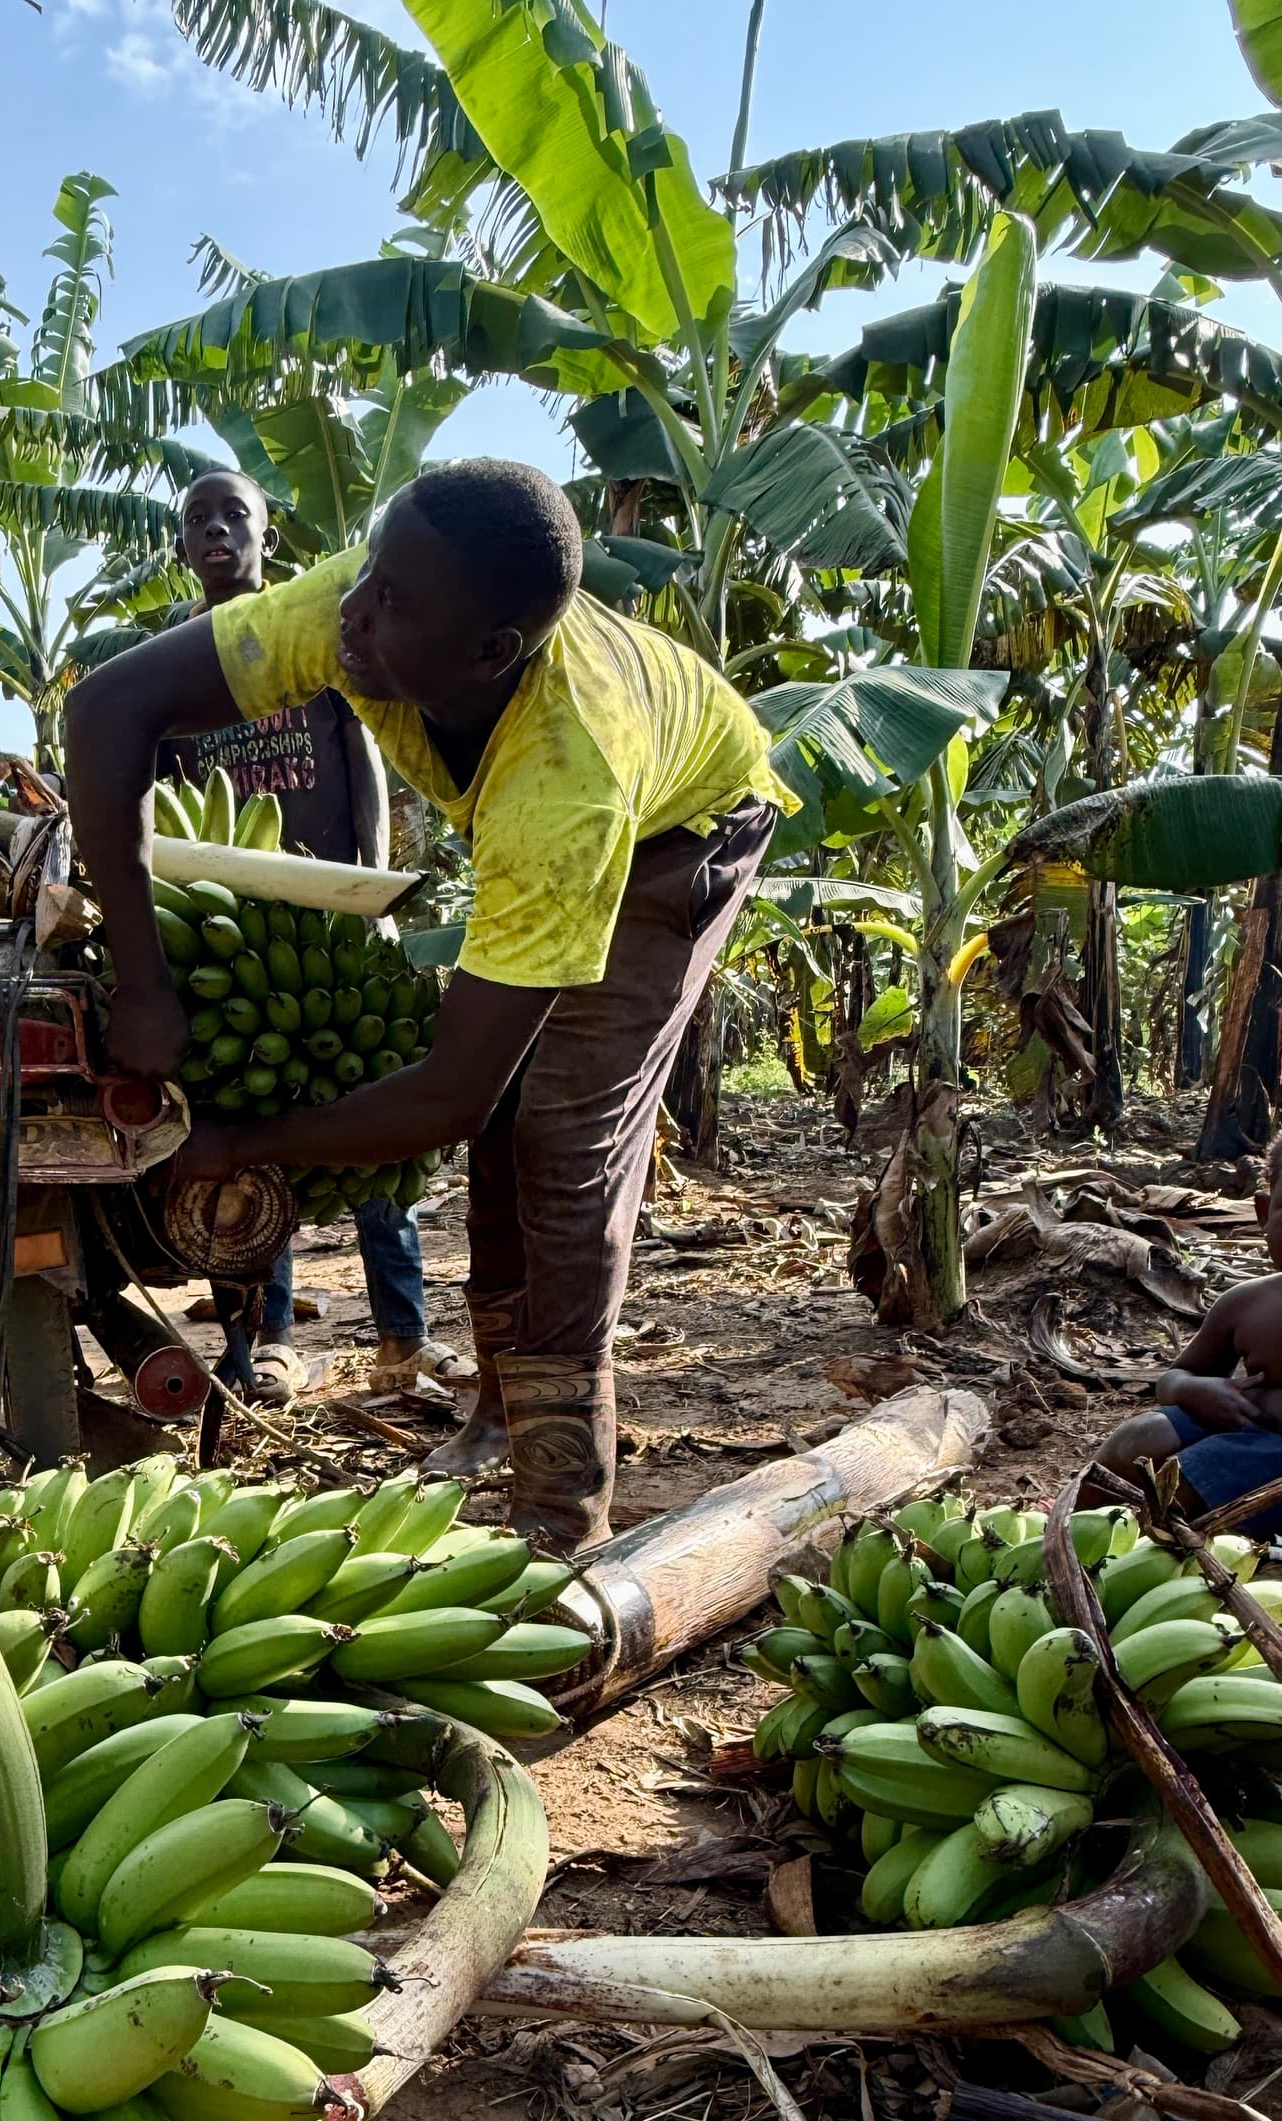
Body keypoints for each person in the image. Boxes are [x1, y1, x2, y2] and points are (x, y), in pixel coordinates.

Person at [68, 456, 794, 1556]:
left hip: (678, 833)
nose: (352, 615)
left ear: (489, 652)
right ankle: (494, 1412)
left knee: (561, 1139)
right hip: (559, 810)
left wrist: (239, 1141)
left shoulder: (566, 778)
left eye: (392, 603)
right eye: (368, 575)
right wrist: (141, 977)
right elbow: (105, 708)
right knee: (509, 1118)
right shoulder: (358, 608)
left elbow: (449, 1096)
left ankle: (560, 1500)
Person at [158, 468, 462, 1403]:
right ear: (181, 550)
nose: (217, 532)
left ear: (265, 539)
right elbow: (161, 801)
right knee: (244, 1134)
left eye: (235, 517)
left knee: (377, 1126)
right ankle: (262, 1343)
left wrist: (368, 888)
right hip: (230, 935)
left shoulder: (313, 632)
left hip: (333, 917)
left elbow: (361, 760)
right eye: (199, 521)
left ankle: (402, 1335)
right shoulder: (175, 663)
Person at [1096, 1137, 1282, 1534]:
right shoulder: (1247, 1304)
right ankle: (1070, 1529)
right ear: (1265, 1213)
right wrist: (1197, 1391)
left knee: (1198, 1474)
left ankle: (1136, 1548)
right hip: (1243, 1430)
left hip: (1270, 1464)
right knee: (1139, 1436)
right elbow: (1173, 1379)